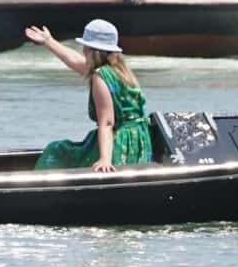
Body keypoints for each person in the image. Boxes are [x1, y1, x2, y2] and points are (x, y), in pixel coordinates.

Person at [25, 20, 151, 172]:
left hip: (118, 142)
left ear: (89, 49)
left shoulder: (100, 77)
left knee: (56, 150)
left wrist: (105, 159)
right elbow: (74, 59)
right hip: (139, 139)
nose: (83, 50)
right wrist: (48, 41)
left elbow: (107, 123)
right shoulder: (121, 71)